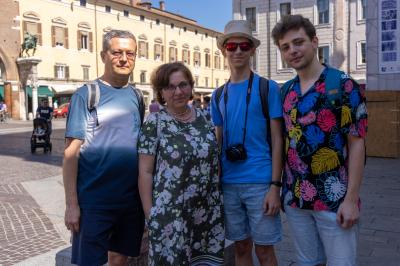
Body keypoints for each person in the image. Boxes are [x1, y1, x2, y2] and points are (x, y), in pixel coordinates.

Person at [272, 15, 368, 265]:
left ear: (314, 42)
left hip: (334, 200)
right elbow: (285, 142)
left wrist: (351, 200)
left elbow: (357, 144)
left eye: (298, 42)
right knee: (307, 262)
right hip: (296, 200)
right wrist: (281, 190)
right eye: (285, 47)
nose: (292, 50)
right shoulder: (286, 91)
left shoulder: (343, 84)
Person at [63, 29, 145, 266]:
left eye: (130, 53)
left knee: (120, 258)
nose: (124, 59)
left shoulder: (137, 97)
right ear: (103, 55)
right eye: (117, 52)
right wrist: (71, 205)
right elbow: (70, 154)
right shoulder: (86, 95)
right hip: (94, 201)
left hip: (130, 200)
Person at [211, 20, 283, 266]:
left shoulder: (268, 88)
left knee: (264, 251)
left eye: (244, 45)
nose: (238, 51)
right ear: (224, 51)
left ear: (253, 50)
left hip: (260, 183)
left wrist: (275, 186)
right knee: (241, 248)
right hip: (228, 184)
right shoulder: (218, 94)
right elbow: (217, 139)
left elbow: (277, 138)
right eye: (232, 45)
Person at [138, 62, 224, 265]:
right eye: (170, 86)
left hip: (206, 213)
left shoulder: (204, 118)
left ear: (191, 86)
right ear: (161, 91)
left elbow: (214, 161)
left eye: (183, 84)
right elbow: (145, 172)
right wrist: (151, 215)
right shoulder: (155, 122)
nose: (178, 91)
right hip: (171, 216)